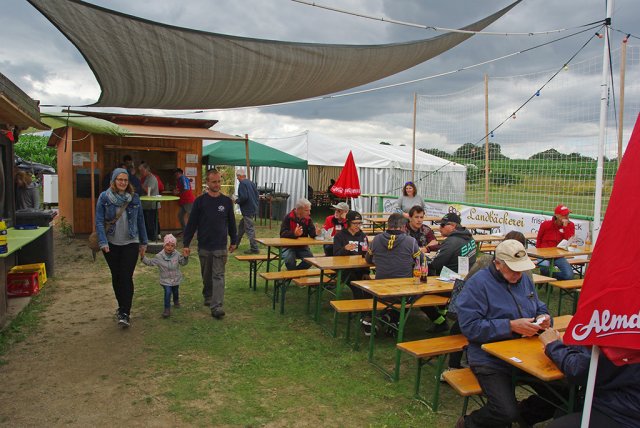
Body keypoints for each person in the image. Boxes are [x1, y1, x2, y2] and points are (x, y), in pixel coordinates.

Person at [455, 239, 555, 428]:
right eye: (513, 269)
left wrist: (544, 317)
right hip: (488, 358)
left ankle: (524, 415)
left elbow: (538, 305)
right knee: (505, 412)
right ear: (498, 264)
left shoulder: (524, 279)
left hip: (525, 353)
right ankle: (468, 424)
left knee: (564, 393)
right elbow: (469, 327)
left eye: (521, 269)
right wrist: (509, 326)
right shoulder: (478, 284)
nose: (518, 274)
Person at [444, 230, 531, 374]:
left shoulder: (485, 261)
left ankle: (453, 365)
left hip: (495, 325)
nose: (517, 272)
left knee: (458, 328)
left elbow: (467, 280)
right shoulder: (525, 273)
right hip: (501, 325)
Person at [540, 329, 640, 428]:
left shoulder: (627, 338)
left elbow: (579, 370)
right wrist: (568, 342)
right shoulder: (630, 332)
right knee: (562, 410)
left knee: (559, 421)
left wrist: (553, 345)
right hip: (625, 404)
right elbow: (596, 353)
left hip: (624, 415)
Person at [95, 168, 148, 328]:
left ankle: (125, 312)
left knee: (126, 276)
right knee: (116, 276)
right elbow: (99, 221)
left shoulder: (134, 198)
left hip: (131, 242)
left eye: (125, 180)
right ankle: (121, 306)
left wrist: (143, 242)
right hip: (111, 243)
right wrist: (103, 242)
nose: (123, 182)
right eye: (120, 179)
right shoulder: (104, 197)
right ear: (114, 181)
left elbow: (140, 220)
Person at [183, 169, 237, 319]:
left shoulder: (226, 202)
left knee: (218, 275)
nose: (217, 184)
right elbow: (192, 224)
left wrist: (234, 240)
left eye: (219, 181)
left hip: (220, 245)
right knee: (206, 275)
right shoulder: (200, 201)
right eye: (214, 182)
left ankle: (217, 306)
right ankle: (208, 295)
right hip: (205, 245)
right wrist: (186, 244)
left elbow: (232, 222)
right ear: (207, 182)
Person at [364, 213, 420, 334]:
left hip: (379, 290)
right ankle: (393, 321)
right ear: (404, 227)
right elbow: (420, 261)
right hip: (402, 292)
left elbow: (368, 259)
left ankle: (385, 319)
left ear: (388, 225)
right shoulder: (411, 242)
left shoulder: (376, 239)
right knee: (419, 291)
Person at [424, 212, 477, 333]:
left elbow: (436, 264)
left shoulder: (452, 241)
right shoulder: (469, 237)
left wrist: (424, 259)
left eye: (443, 225)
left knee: (419, 294)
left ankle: (440, 321)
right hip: (465, 283)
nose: (440, 228)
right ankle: (443, 313)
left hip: (452, 286)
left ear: (453, 226)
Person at [141, 233, 189, 318]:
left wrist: (185, 257)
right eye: (167, 245)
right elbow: (150, 262)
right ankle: (167, 309)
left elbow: (183, 263)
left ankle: (176, 301)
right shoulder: (159, 256)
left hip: (175, 278)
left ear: (175, 247)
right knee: (168, 292)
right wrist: (143, 257)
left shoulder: (177, 254)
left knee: (175, 291)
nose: (169, 247)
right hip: (165, 280)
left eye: (172, 246)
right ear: (164, 245)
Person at [333, 210, 370, 299]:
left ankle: (367, 307)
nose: (358, 225)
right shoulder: (340, 236)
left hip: (360, 269)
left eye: (359, 223)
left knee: (369, 290)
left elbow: (366, 255)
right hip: (345, 269)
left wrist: (366, 272)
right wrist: (345, 249)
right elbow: (335, 256)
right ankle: (359, 306)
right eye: (355, 223)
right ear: (348, 223)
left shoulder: (363, 236)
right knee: (358, 290)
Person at [536, 204, 576, 280]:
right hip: (544, 254)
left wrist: (565, 227)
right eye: (564, 215)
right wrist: (539, 252)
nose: (567, 217)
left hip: (558, 255)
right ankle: (549, 276)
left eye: (567, 214)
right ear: (557, 216)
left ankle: (550, 276)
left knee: (569, 275)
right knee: (544, 269)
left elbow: (569, 240)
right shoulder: (545, 224)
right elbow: (539, 239)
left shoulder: (570, 225)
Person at [279, 198, 320, 270]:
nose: (309, 213)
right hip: (288, 246)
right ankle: (293, 274)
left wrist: (316, 233)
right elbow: (282, 234)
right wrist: (294, 234)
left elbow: (312, 234)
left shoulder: (308, 219)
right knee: (289, 260)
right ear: (298, 210)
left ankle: (293, 274)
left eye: (309, 210)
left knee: (310, 261)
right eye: (307, 210)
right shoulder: (288, 217)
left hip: (302, 246)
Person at [234, 168, 260, 254]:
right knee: (241, 227)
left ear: (240, 176)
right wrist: (255, 205)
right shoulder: (251, 183)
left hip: (247, 210)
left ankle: (254, 248)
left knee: (249, 229)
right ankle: (235, 244)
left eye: (237, 176)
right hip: (252, 208)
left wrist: (237, 200)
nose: (237, 178)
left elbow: (244, 197)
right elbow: (257, 195)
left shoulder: (242, 184)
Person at [139, 162, 160, 241]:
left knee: (151, 222)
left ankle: (153, 237)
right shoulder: (147, 178)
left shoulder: (152, 178)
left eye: (141, 170)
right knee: (148, 222)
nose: (141, 172)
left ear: (146, 170)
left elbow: (148, 191)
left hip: (151, 205)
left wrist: (140, 185)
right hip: (146, 204)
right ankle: (150, 237)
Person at [172, 168, 195, 234]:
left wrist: (178, 192)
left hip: (188, 200)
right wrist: (176, 191)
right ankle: (185, 231)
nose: (175, 175)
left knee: (190, 217)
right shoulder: (180, 180)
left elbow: (186, 188)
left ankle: (191, 231)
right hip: (184, 201)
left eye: (176, 173)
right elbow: (181, 189)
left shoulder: (183, 178)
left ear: (179, 173)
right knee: (180, 216)